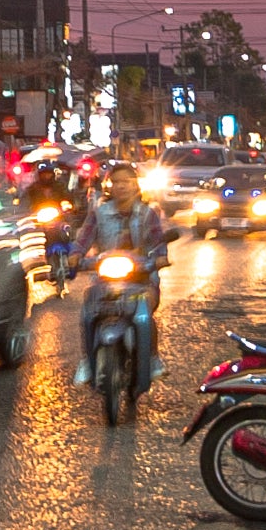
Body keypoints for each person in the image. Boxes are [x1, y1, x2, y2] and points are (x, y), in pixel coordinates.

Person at [70, 162, 169, 388]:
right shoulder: (99, 213)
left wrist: (160, 257)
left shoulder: (148, 214)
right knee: (88, 310)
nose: (121, 186)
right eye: (117, 182)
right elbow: (83, 239)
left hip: (141, 278)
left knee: (144, 313)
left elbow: (158, 241)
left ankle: (152, 359)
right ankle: (87, 360)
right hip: (106, 277)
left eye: (127, 182)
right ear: (110, 186)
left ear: (135, 186)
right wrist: (75, 255)